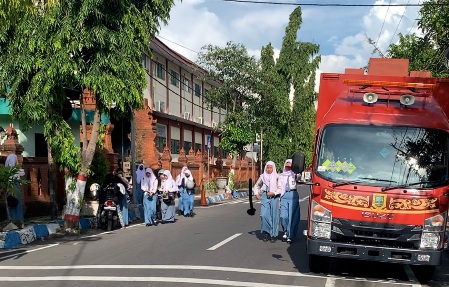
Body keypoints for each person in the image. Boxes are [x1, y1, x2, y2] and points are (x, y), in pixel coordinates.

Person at [254, 161, 282, 243]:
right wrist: (256, 193)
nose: (269, 169)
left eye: (270, 167)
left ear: (273, 168)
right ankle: (267, 232)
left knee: (274, 216)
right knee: (264, 215)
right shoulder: (262, 177)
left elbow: (280, 188)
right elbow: (257, 185)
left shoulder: (277, 177)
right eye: (267, 167)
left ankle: (273, 235)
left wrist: (274, 193)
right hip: (265, 196)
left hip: (274, 197)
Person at [279, 159, 300, 244]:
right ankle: (285, 231)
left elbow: (299, 177)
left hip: (293, 195)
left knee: (292, 216)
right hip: (284, 195)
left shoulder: (295, 175)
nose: (288, 168)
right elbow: (279, 187)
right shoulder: (281, 176)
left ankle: (289, 235)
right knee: (283, 216)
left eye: (290, 167)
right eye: (287, 166)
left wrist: (296, 171)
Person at [5, 154, 25, 227]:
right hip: (16, 188)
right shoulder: (16, 169)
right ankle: (19, 222)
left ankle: (12, 222)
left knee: (11, 205)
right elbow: (23, 173)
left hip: (9, 189)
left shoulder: (6, 170)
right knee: (17, 204)